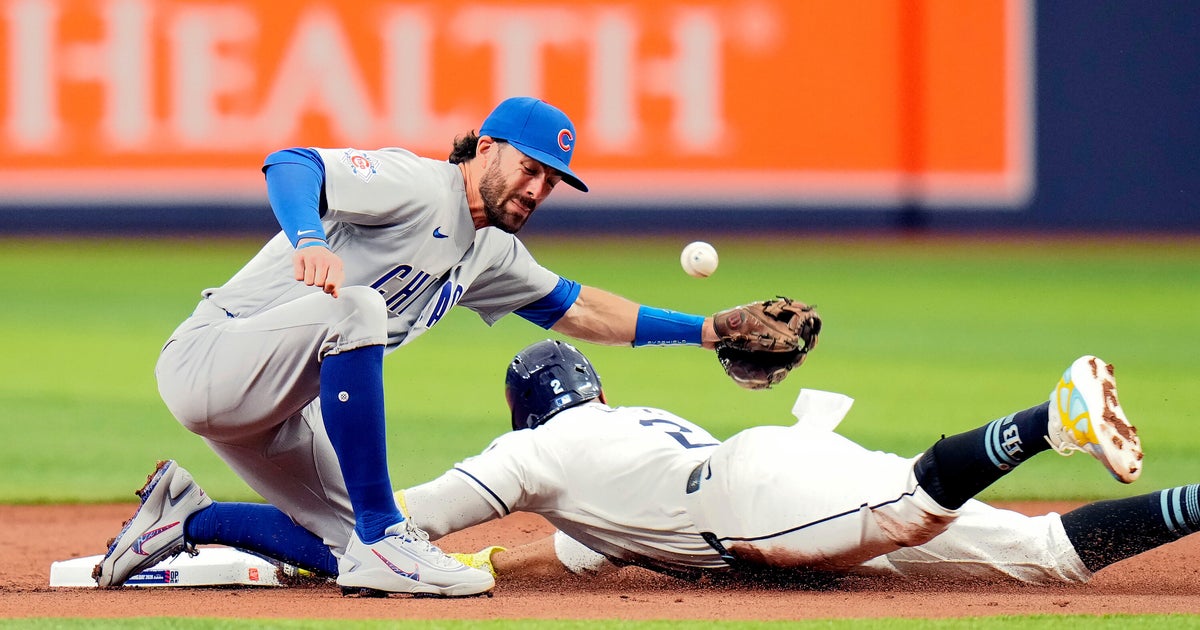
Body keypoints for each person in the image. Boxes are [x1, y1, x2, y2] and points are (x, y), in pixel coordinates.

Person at [92, 96, 791, 598]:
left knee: (350, 549)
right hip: (211, 359)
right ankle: (384, 538)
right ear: (486, 147)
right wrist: (309, 241)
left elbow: (580, 309)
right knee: (356, 310)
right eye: (530, 167)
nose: (538, 187)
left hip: (275, 410)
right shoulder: (420, 183)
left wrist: (708, 331)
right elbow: (291, 163)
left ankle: (186, 517)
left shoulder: (492, 252)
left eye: (551, 180)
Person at [390, 340, 1181, 587]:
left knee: (908, 504)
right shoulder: (621, 440)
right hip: (782, 462)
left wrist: (317, 545)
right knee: (1045, 559)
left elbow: (407, 513)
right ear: (595, 389)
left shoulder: (534, 451)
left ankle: (1050, 420)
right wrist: (495, 561)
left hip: (748, 502)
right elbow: (564, 554)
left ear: (521, 409)